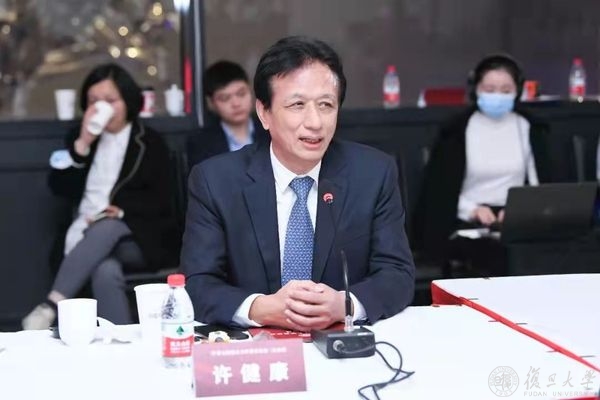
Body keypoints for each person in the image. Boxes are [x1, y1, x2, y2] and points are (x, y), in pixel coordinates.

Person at [181, 36, 415, 331]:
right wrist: (260, 309)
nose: (315, 122)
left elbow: (397, 273)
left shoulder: (373, 173)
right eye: (297, 105)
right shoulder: (216, 181)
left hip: (343, 342)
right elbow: (197, 282)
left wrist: (345, 305)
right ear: (264, 113)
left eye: (326, 105)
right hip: (258, 347)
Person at [22, 63, 173, 329]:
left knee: (108, 225)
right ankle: (120, 343)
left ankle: (50, 306)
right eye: (94, 102)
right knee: (105, 270)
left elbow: (162, 200)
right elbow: (59, 187)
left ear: (127, 100)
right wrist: (82, 144)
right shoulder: (80, 138)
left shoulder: (148, 142)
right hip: (84, 235)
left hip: (136, 236)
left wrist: (121, 211)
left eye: (110, 101)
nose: (102, 108)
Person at [414, 54, 555, 276]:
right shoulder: (456, 130)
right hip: (465, 220)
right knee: (489, 256)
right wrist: (472, 210)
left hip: (514, 220)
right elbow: (440, 191)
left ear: (517, 91)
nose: (497, 96)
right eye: (490, 89)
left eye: (506, 90)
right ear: (476, 90)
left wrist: (518, 211)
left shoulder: (529, 127)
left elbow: (540, 186)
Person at [186, 60, 269, 168]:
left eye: (241, 94)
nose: (236, 103)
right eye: (225, 98)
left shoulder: (271, 130)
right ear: (211, 103)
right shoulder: (201, 143)